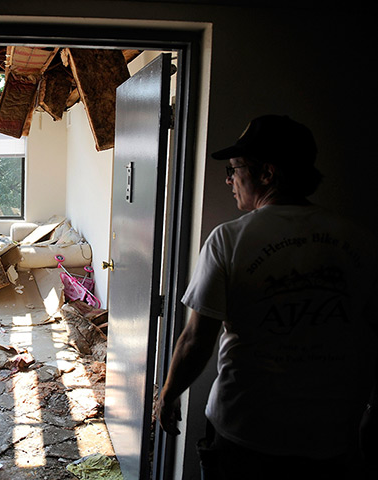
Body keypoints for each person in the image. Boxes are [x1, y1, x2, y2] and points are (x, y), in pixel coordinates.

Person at [156, 115, 378, 479]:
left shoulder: (229, 239)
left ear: (267, 174)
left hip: (245, 431)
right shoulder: (360, 240)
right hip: (331, 436)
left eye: (234, 169)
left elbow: (197, 338)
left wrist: (167, 396)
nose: (229, 180)